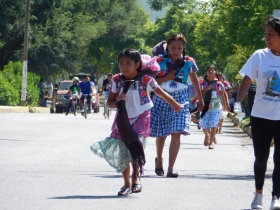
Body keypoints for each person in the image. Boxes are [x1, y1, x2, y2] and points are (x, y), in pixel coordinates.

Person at [90, 48, 183, 196]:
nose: (124, 67)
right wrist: (118, 101)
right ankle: (126, 183)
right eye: (121, 63)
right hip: (122, 118)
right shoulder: (116, 80)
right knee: (122, 152)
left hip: (141, 117)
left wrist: (176, 105)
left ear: (137, 64)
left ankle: (136, 178)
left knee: (136, 148)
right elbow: (110, 102)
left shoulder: (146, 80)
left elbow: (162, 93)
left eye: (128, 63)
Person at [235, 16, 280, 210]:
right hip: (261, 115)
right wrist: (237, 103)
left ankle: (276, 197)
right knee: (261, 158)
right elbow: (246, 81)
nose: (267, 38)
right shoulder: (260, 56)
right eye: (265, 34)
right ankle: (258, 194)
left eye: (271, 34)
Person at [150, 34, 204, 178]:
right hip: (162, 97)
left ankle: (170, 168)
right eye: (173, 47)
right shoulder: (160, 62)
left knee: (176, 132)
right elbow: (150, 81)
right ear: (167, 47)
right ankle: (159, 160)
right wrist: (167, 78)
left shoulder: (189, 62)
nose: (176, 50)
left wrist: (200, 99)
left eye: (179, 48)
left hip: (181, 98)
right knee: (161, 134)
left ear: (183, 48)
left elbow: (194, 80)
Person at [199, 66, 230, 149]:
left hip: (216, 107)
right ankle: (207, 135)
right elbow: (199, 95)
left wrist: (225, 105)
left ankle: (211, 143)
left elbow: (223, 95)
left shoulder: (219, 84)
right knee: (204, 125)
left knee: (214, 124)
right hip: (205, 107)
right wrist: (206, 89)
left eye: (213, 70)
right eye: (209, 70)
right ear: (206, 73)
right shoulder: (202, 83)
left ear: (215, 73)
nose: (211, 71)